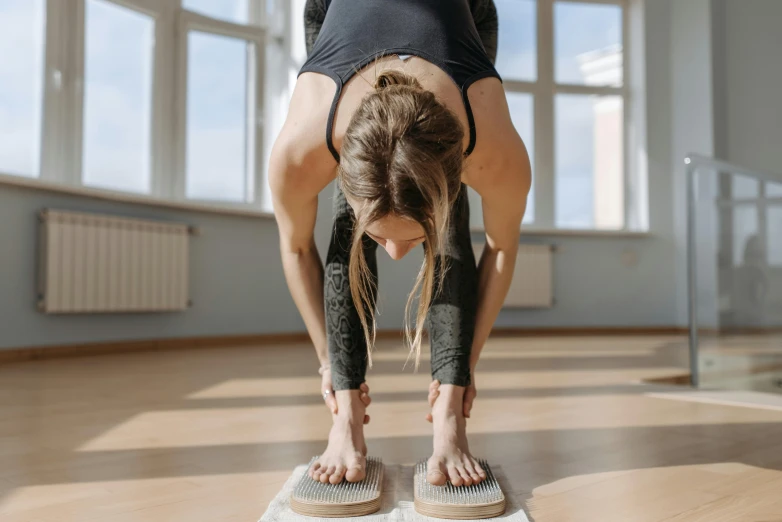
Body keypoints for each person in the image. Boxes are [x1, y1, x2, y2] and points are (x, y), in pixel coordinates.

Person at [269, 0, 531, 488]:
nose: (394, 255)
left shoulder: (491, 144)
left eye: (412, 238)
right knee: (357, 211)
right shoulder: (305, 140)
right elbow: (296, 248)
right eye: (382, 239)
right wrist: (331, 364)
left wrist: (463, 372)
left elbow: (502, 248)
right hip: (333, 14)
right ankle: (344, 421)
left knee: (443, 209)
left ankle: (450, 419)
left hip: (465, 15)